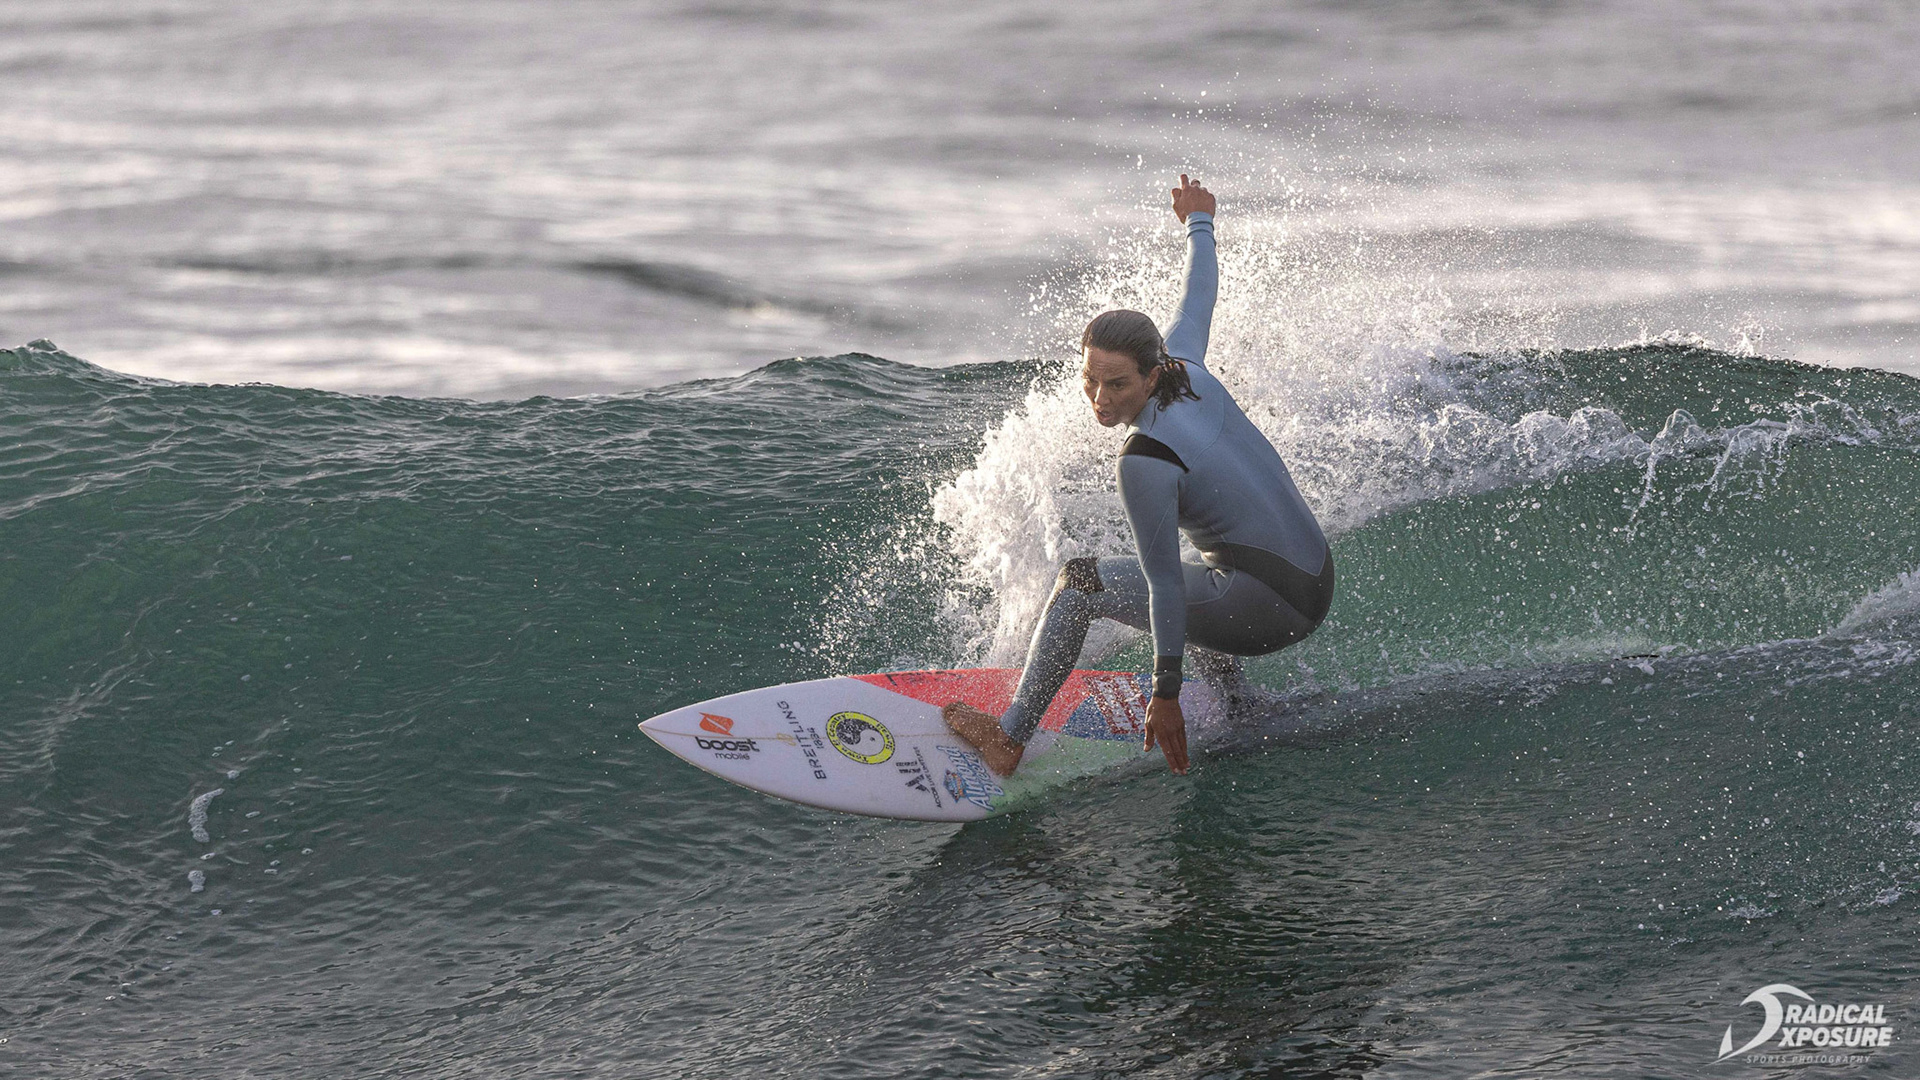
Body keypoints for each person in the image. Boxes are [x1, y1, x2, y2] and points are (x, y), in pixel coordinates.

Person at [943, 176, 1335, 776]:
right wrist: (1199, 221)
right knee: (1204, 569)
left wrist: (1165, 693)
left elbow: (1165, 588)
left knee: (1081, 583)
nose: (1100, 399)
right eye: (1090, 380)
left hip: (1271, 610)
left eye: (1117, 384)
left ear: (1150, 377)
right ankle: (1239, 706)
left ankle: (1009, 736)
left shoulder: (1145, 458)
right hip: (1313, 577)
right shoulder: (1187, 363)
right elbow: (1198, 291)